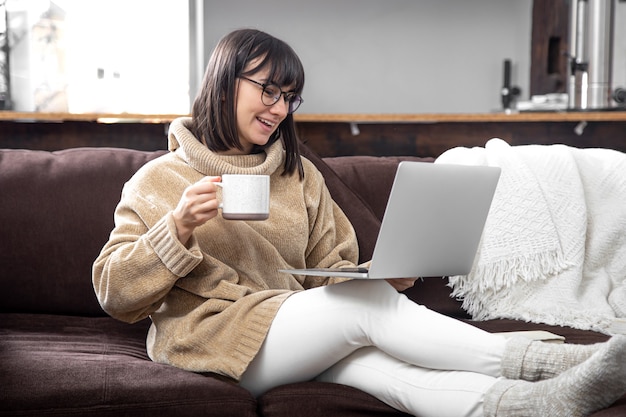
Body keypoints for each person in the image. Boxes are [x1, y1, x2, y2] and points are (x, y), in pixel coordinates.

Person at [93, 28, 626, 417]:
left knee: (396, 379)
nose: (279, 108)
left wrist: (376, 275)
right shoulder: (159, 180)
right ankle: (541, 363)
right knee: (366, 313)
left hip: (291, 331)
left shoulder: (297, 176)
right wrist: (178, 227)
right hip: (209, 341)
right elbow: (114, 293)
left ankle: (537, 404)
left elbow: (329, 272)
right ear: (225, 81)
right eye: (268, 90)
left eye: (290, 96)